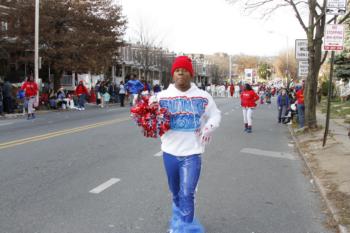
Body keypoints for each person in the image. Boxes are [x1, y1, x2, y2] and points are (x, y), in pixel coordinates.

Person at [150, 56, 221, 233]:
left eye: (184, 70)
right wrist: (149, 122)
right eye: (177, 70)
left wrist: (209, 127)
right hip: (170, 152)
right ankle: (178, 219)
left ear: (191, 74)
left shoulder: (203, 96)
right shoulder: (161, 97)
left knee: (187, 192)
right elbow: (147, 116)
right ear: (173, 75)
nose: (180, 73)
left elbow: (215, 114)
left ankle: (185, 228)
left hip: (192, 153)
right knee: (175, 192)